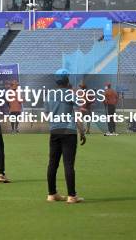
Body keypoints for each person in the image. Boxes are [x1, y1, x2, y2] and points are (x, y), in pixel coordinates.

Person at [44, 69, 86, 203]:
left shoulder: (50, 95)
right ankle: (72, 196)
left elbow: (46, 115)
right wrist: (82, 131)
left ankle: (51, 194)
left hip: (55, 131)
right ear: (67, 80)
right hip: (69, 132)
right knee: (68, 164)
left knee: (52, 163)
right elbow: (79, 111)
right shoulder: (70, 94)